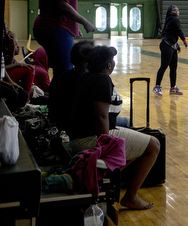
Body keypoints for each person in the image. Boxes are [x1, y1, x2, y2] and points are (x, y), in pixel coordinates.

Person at [68, 45, 160, 210]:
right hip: (89, 138)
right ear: (109, 65)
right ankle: (130, 196)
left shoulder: (87, 77)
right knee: (153, 145)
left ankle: (104, 179)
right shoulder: (102, 80)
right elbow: (100, 116)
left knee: (137, 145)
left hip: (78, 136)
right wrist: (106, 145)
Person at [32, 0, 95, 100]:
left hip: (53, 28)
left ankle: (54, 113)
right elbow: (61, 5)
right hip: (54, 29)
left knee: (60, 74)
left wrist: (73, 26)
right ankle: (61, 115)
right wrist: (84, 21)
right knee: (66, 74)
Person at [53, 39, 95, 131]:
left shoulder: (65, 76)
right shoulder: (90, 80)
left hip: (63, 124)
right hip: (82, 130)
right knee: (126, 122)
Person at [153, 5, 188, 97]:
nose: (176, 11)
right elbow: (179, 31)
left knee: (173, 67)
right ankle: (157, 86)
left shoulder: (170, 20)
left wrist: (176, 44)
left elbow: (169, 33)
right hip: (166, 46)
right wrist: (184, 41)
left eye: (177, 9)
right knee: (163, 66)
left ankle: (173, 88)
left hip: (172, 46)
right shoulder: (173, 19)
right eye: (174, 10)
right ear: (170, 12)